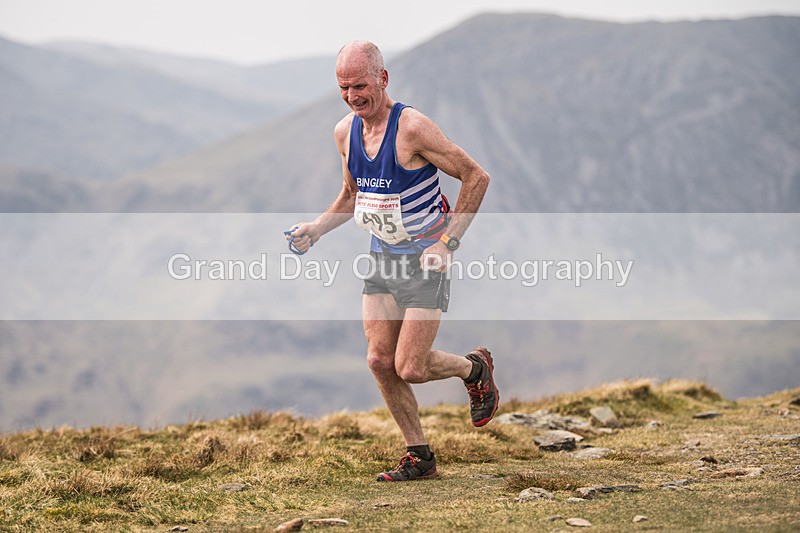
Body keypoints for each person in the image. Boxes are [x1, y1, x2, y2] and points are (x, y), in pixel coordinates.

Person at [288, 41, 497, 481]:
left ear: (383, 79)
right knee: (380, 362)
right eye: (343, 87)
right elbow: (351, 196)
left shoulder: (413, 129)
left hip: (425, 260)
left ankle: (473, 368)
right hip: (382, 259)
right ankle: (418, 456)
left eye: (360, 85)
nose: (352, 96)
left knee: (411, 367)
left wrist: (449, 243)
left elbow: (476, 176)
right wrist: (316, 229)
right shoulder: (345, 132)